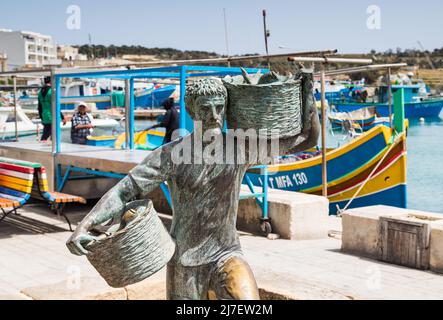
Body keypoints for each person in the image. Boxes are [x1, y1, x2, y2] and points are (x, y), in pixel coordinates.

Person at [66, 74, 320, 300]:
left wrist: (309, 100)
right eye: (206, 109)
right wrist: (84, 227)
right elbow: (124, 191)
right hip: (184, 262)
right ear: (192, 110)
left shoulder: (240, 147)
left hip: (227, 253)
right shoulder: (172, 155)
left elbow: (305, 140)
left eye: (220, 108)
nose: (214, 115)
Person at [38, 76, 66, 141]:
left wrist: (41, 117)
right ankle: (53, 149)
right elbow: (56, 106)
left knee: (45, 135)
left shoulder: (40, 92)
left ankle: (43, 147)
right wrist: (62, 117)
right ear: (51, 81)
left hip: (45, 116)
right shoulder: (52, 91)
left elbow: (39, 107)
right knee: (54, 136)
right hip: (53, 116)